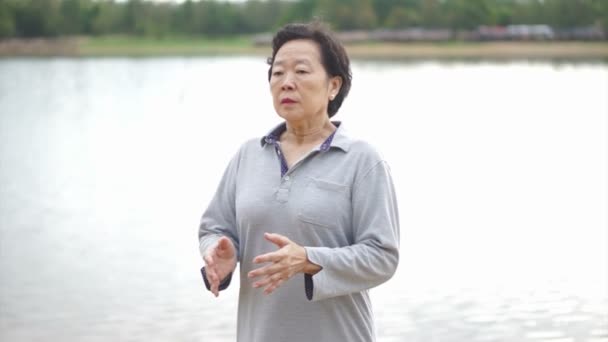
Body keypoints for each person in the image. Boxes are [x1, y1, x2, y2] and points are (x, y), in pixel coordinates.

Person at [198, 21, 400, 342]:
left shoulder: (362, 159)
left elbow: (382, 257)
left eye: (301, 72)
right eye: (277, 73)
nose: (286, 83)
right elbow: (215, 228)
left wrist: (309, 259)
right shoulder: (248, 154)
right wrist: (221, 254)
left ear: (333, 85)